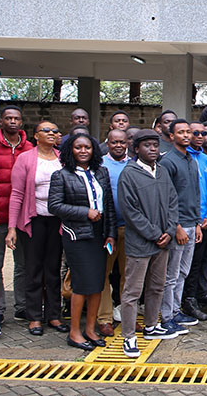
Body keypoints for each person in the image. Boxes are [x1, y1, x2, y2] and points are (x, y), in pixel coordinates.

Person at [48, 132, 117, 351]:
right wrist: (84, 212)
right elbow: (55, 206)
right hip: (76, 235)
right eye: (78, 147)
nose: (83, 151)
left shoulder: (102, 172)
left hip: (99, 234)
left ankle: (90, 329)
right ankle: (74, 332)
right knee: (81, 284)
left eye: (87, 147)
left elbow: (109, 206)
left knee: (97, 283)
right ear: (71, 150)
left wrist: (111, 234)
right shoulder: (61, 175)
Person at [116, 130, 181, 357]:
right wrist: (155, 234)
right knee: (133, 291)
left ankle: (152, 326)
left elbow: (174, 203)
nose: (153, 149)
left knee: (157, 286)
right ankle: (129, 336)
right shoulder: (129, 174)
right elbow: (130, 212)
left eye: (155, 145)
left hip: (163, 242)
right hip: (141, 243)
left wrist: (169, 231)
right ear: (136, 149)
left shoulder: (162, 172)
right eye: (147, 146)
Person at [7, 121, 66, 336]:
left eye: (55, 131)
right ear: (36, 136)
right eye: (46, 131)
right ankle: (34, 317)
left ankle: (53, 315)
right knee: (33, 269)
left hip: (57, 222)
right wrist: (12, 227)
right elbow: (17, 194)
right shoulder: (25, 159)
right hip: (33, 221)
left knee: (53, 269)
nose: (52, 134)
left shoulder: (62, 158)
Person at [158, 120, 204, 334]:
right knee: (171, 274)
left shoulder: (191, 160)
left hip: (191, 224)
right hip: (176, 227)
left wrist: (196, 224)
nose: (187, 135)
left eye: (189, 132)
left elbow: (195, 194)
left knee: (183, 272)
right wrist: (175, 226)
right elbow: (165, 198)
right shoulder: (167, 162)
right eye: (181, 132)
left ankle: (176, 310)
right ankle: (166, 316)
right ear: (171, 135)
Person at [0, 105, 33, 325]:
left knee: (23, 265)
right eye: (8, 118)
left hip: (22, 218)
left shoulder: (30, 148)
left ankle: (22, 307)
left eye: (16, 118)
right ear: (1, 121)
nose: (12, 121)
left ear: (21, 122)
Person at [181, 122, 207, 322]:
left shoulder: (206, 159)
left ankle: (192, 298)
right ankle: (185, 300)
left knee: (199, 263)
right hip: (186, 222)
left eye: (203, 133)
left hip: (204, 222)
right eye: (196, 133)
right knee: (186, 266)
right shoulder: (179, 158)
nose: (200, 136)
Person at [96, 128, 129, 336]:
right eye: (114, 142)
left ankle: (128, 316)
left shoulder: (134, 165)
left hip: (130, 229)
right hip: (107, 230)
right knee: (104, 275)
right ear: (107, 144)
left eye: (122, 142)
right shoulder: (99, 165)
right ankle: (104, 318)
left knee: (129, 275)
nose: (118, 145)